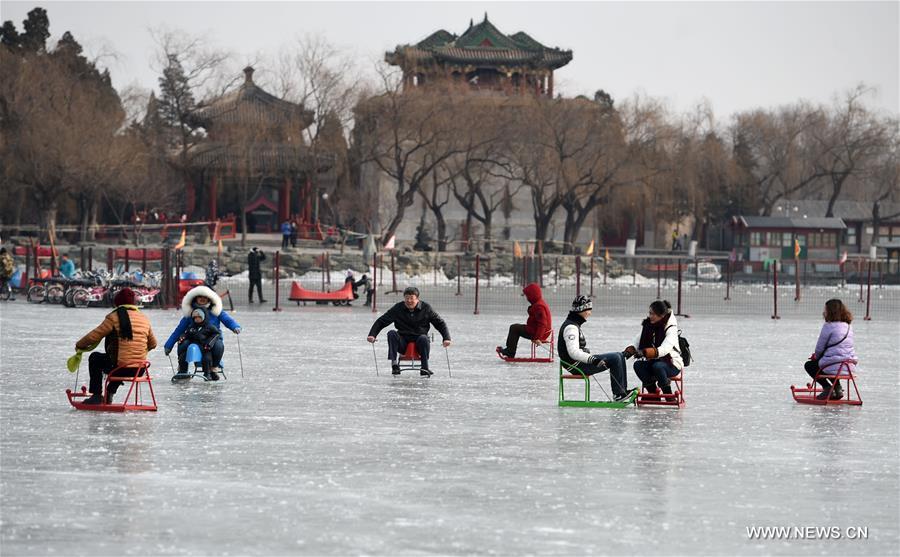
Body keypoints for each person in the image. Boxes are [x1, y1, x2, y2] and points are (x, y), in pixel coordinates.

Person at [74, 288, 157, 404]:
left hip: (121, 368)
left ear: (117, 302)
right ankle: (110, 391)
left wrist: (79, 344)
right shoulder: (144, 318)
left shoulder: (114, 317)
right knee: (121, 360)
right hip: (140, 369)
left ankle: (96, 395)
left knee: (95, 358)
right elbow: (153, 344)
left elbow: (95, 336)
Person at [558, 295, 634, 401]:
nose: (590, 313)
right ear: (582, 310)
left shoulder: (573, 324)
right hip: (577, 367)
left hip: (579, 363)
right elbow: (573, 352)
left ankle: (622, 392)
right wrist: (593, 360)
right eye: (589, 309)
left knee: (619, 355)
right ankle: (618, 394)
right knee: (616, 358)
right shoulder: (571, 328)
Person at [367, 286, 451, 376]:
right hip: (403, 341)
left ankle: (425, 367)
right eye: (407, 298)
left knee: (424, 338)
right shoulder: (398, 308)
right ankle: (394, 364)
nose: (409, 301)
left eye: (412, 298)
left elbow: (440, 323)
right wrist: (372, 335)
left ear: (417, 299)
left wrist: (446, 338)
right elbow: (382, 321)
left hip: (420, 341)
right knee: (391, 333)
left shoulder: (426, 308)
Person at [163, 286, 241, 376]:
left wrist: (235, 327)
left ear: (209, 299)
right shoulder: (191, 312)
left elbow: (228, 320)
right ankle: (183, 369)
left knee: (218, 346)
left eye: (205, 297)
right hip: (195, 338)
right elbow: (179, 329)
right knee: (183, 343)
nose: (202, 299)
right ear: (195, 298)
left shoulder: (215, 310)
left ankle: (214, 367)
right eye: (200, 297)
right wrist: (169, 345)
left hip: (212, 338)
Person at [624, 300, 683, 397]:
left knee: (658, 366)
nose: (650, 316)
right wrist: (629, 350)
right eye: (649, 313)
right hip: (654, 362)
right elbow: (637, 341)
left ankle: (668, 395)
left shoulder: (671, 328)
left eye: (653, 314)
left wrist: (645, 352)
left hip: (672, 364)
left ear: (661, 315)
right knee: (638, 365)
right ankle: (652, 392)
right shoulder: (648, 325)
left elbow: (665, 349)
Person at [806, 298, 857, 400]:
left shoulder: (828, 326)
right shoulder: (848, 326)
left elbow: (819, 348)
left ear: (829, 311)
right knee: (832, 363)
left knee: (810, 365)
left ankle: (827, 388)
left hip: (834, 364)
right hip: (849, 366)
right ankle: (837, 388)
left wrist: (815, 357)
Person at [497, 282, 552, 358]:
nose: (527, 298)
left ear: (532, 295)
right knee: (515, 327)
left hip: (539, 332)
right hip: (537, 330)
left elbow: (542, 324)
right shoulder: (539, 303)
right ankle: (510, 351)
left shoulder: (539, 307)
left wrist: (537, 338)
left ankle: (510, 352)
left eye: (527, 296)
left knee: (514, 328)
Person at [182, 308, 222, 379]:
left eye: (199, 317)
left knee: (207, 358)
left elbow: (216, 334)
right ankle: (182, 370)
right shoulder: (192, 327)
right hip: (196, 345)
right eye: (195, 318)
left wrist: (209, 344)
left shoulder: (209, 326)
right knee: (184, 352)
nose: (197, 319)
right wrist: (182, 337)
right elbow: (187, 334)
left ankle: (208, 373)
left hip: (205, 346)